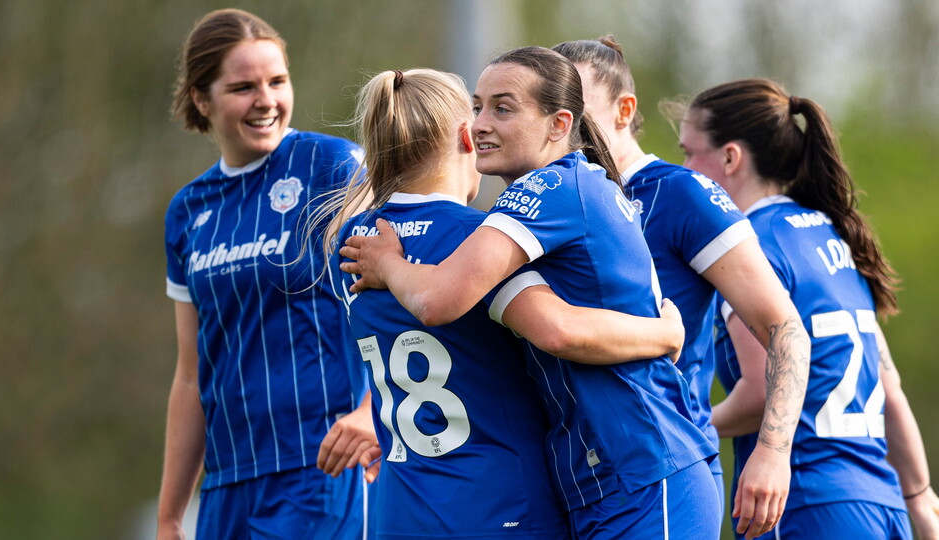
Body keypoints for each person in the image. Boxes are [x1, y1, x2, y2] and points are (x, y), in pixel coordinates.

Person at [339, 47, 721, 539]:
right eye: (476, 106)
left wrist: (390, 262)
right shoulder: (521, 207)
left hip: (644, 464)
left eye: (503, 107)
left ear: (559, 124)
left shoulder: (553, 188)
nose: (479, 124)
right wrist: (662, 333)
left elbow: (537, 326)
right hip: (589, 479)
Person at [552, 37, 811, 539]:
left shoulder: (679, 193)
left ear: (625, 110)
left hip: (658, 478)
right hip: (571, 483)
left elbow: (785, 330)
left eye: (577, 106)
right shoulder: (547, 203)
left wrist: (773, 453)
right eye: (550, 105)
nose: (562, 121)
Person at [670, 76, 939, 539]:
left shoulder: (750, 249)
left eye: (689, 154)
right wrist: (920, 499)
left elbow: (758, 396)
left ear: (730, 157)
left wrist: (681, 429)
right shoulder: (830, 236)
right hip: (880, 500)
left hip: (807, 503)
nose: (685, 169)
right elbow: (889, 388)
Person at [157, 9, 375, 539]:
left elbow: (404, 297)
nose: (267, 100)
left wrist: (373, 411)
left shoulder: (333, 166)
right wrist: (168, 515)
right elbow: (190, 376)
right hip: (226, 485)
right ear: (201, 99)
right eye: (243, 87)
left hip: (322, 468)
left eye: (277, 81)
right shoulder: (188, 211)